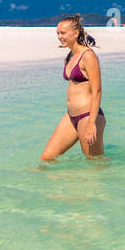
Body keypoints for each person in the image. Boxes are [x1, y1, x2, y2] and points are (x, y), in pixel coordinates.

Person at [42, 14, 106, 160]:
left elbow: (97, 91)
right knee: (47, 158)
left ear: (76, 33)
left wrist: (91, 123)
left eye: (63, 33)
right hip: (71, 116)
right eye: (57, 33)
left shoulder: (88, 56)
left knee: (95, 164)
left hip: (88, 116)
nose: (59, 36)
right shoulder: (70, 56)